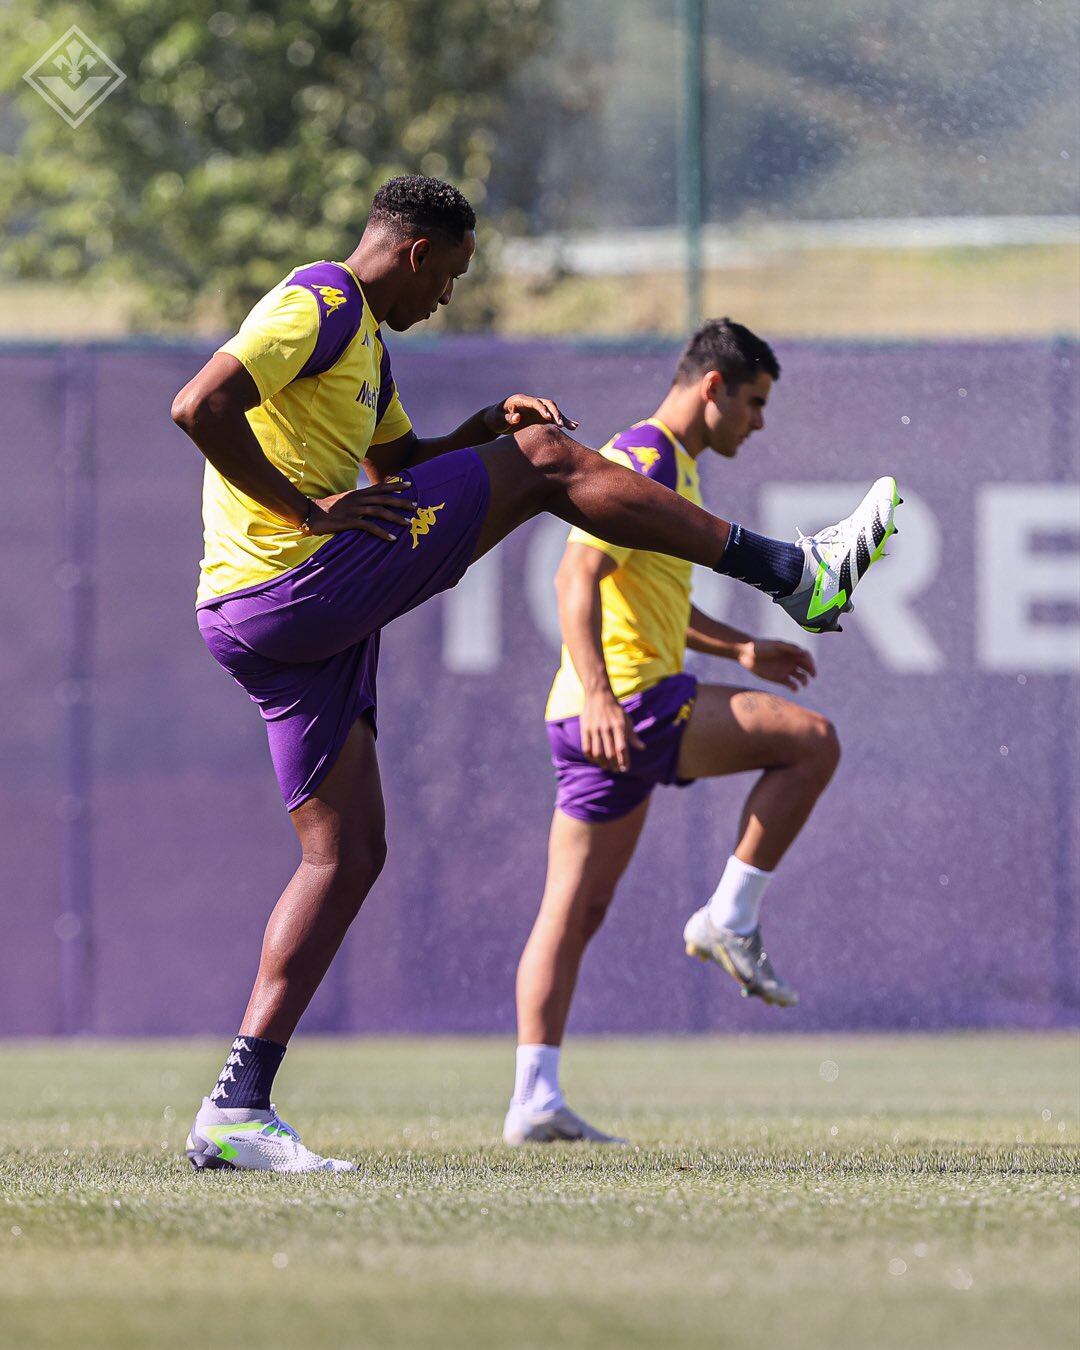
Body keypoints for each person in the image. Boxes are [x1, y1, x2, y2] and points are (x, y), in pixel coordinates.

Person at [171, 175, 899, 1172]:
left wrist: (478, 431)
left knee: (347, 855)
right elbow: (200, 406)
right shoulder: (322, 299)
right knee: (551, 458)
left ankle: (236, 1109)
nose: (449, 299)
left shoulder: (369, 348)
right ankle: (792, 570)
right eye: (454, 275)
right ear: (417, 250)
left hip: (272, 623)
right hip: (293, 585)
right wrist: (309, 514)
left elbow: (398, 471)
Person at [503, 319, 897, 1146]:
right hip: (630, 704)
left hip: (593, 713)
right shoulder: (644, 456)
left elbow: (654, 601)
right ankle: (730, 916)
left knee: (575, 912)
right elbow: (574, 575)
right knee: (810, 741)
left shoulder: (672, 466)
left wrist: (741, 645)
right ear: (712, 388)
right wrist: (607, 697)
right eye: (753, 403)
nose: (758, 423)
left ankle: (534, 1096)